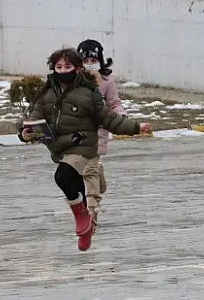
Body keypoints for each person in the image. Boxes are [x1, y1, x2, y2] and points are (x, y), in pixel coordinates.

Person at [18, 48, 151, 251]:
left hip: (84, 146)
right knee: (73, 183)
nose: (63, 71)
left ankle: (82, 216)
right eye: (58, 67)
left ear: (78, 69)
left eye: (68, 66)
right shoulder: (47, 93)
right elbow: (34, 120)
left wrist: (135, 127)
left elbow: (108, 118)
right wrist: (26, 133)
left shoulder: (89, 93)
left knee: (62, 177)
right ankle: (87, 225)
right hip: (61, 148)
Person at [76, 39, 124, 220]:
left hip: (97, 131)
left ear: (100, 61)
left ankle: (92, 206)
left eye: (93, 61)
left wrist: (121, 116)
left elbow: (114, 103)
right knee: (81, 169)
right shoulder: (74, 81)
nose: (89, 65)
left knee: (89, 170)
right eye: (85, 61)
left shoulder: (106, 81)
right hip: (77, 132)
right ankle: (99, 172)